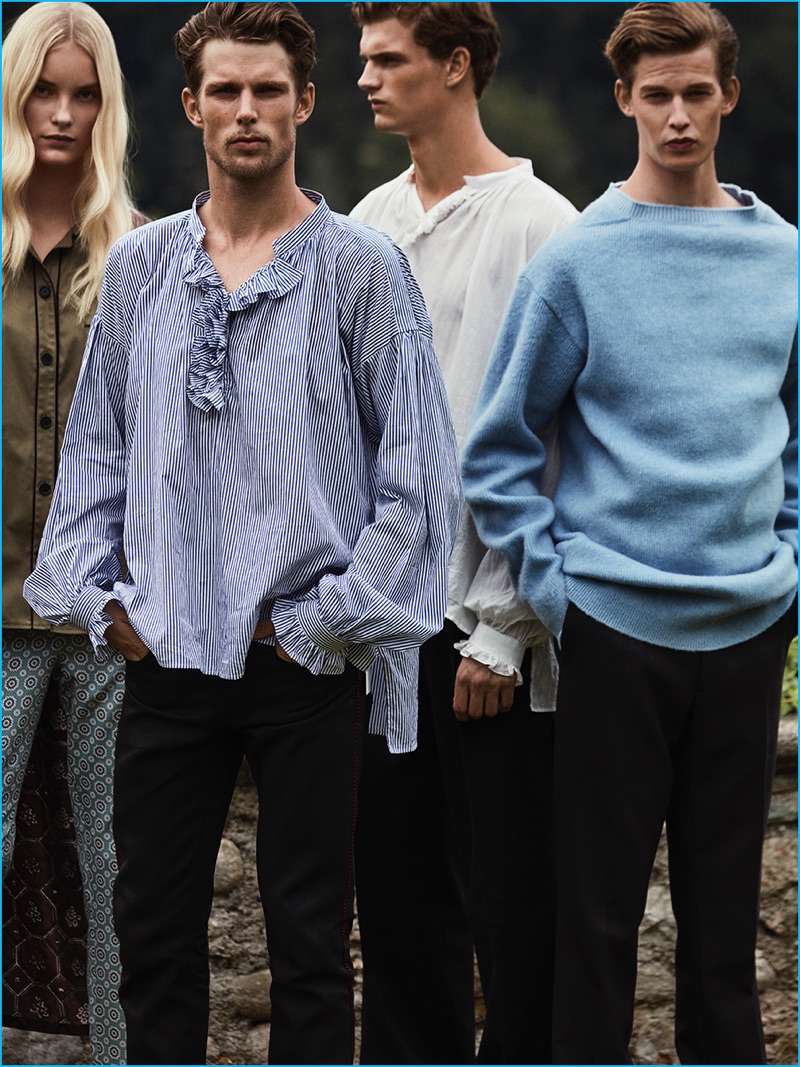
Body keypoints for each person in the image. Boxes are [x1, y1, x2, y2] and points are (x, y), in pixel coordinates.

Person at [23, 2, 461, 1063]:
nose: (247, 109)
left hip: (302, 657)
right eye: (226, 89)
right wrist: (106, 605)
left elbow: (417, 483)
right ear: (191, 106)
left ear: (304, 101)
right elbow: (96, 459)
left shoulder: (361, 269)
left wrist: (325, 620)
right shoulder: (138, 269)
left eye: (268, 89)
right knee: (150, 940)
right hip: (164, 653)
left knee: (310, 945)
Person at [461, 3, 798, 1063]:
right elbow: (497, 449)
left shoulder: (784, 258)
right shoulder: (577, 262)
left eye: (696, 91)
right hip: (613, 630)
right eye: (656, 95)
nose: (678, 115)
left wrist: (787, 564)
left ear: (728, 94)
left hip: (748, 628)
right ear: (624, 101)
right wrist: (560, 595)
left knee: (723, 938)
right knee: (595, 929)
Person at [350, 4, 576, 1063]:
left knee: (517, 911)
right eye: (362, 59)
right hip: (384, 624)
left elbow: (563, 443)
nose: (365, 78)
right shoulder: (367, 222)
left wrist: (502, 624)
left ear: (454, 66)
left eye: (386, 59)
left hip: (487, 631)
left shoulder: (543, 225)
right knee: (397, 908)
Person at [2, 4, 144, 1061]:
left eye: (83, 93)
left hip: (110, 612)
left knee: (120, 865)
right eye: (42, 91)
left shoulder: (145, 256)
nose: (62, 112)